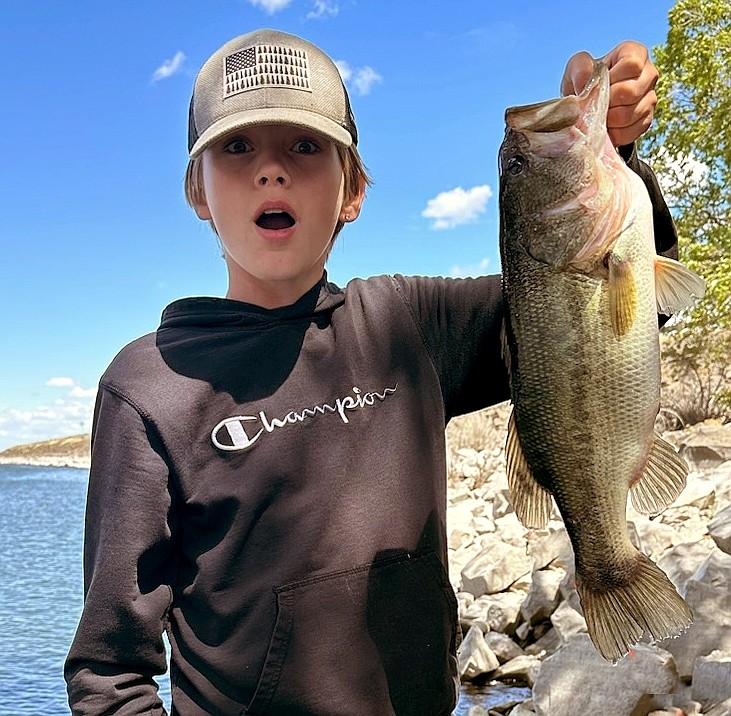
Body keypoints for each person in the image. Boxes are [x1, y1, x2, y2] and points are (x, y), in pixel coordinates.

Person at [64, 28, 675, 716]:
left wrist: (613, 152)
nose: (272, 170)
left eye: (304, 146)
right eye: (236, 147)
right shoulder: (148, 386)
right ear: (197, 193)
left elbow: (593, 317)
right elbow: (109, 671)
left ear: (351, 190)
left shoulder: (408, 324)